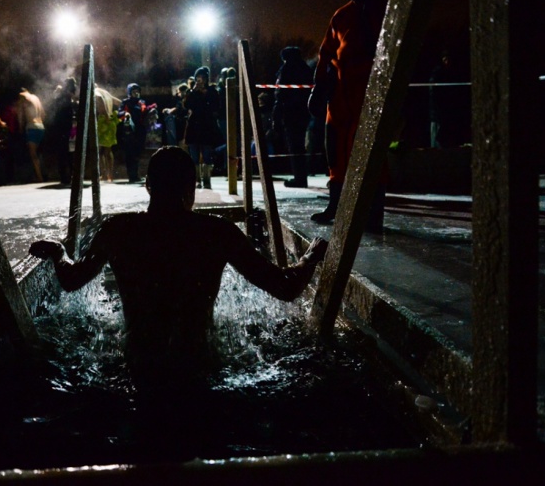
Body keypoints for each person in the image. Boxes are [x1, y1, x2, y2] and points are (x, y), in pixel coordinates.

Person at [29, 146, 328, 392]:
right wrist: (310, 258)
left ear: (147, 186)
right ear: (192, 188)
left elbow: (70, 280)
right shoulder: (216, 232)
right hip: (200, 368)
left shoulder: (118, 230)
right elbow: (285, 287)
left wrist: (58, 252)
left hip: (138, 368)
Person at [307, 0, 388, 232]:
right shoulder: (341, 16)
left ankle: (374, 212)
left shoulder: (387, 10)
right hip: (341, 97)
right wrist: (320, 88)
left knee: (370, 153)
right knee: (337, 152)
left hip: (371, 96)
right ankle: (336, 205)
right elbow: (326, 53)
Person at [273, 46, 314, 188]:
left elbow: (280, 94)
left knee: (294, 146)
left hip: (290, 112)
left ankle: (299, 178)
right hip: (304, 112)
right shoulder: (306, 68)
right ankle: (301, 176)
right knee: (300, 145)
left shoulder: (286, 69)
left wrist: (276, 115)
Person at [184, 66, 220, 189]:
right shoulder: (192, 92)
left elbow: (216, 106)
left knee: (206, 155)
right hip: (194, 126)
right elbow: (187, 105)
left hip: (206, 126)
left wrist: (207, 94)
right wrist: (194, 92)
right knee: (194, 155)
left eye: (202, 78)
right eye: (198, 78)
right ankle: (197, 180)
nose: (200, 81)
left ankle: (207, 180)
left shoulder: (212, 91)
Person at [118, 83, 147, 183]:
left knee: (137, 153)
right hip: (129, 132)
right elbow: (119, 113)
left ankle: (136, 174)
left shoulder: (141, 102)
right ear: (130, 92)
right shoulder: (126, 102)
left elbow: (144, 112)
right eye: (134, 91)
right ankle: (132, 176)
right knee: (130, 154)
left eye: (137, 91)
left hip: (140, 131)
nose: (136, 93)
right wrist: (125, 114)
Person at [17, 88, 46, 182]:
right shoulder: (36, 98)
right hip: (41, 126)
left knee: (33, 155)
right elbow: (43, 114)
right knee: (37, 154)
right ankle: (38, 175)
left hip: (32, 127)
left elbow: (20, 113)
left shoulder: (23, 95)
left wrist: (21, 126)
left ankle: (39, 177)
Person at [95, 87, 121, 182]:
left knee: (100, 151)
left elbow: (99, 99)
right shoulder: (106, 93)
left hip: (104, 123)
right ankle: (110, 174)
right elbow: (119, 103)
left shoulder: (96, 92)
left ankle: (104, 174)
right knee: (108, 150)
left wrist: (105, 115)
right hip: (111, 122)